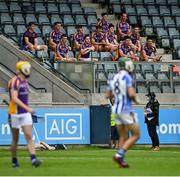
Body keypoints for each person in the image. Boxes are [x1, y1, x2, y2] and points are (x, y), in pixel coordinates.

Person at [106, 57, 140, 168]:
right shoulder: (127, 77)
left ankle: (121, 160)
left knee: (123, 136)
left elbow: (108, 95)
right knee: (136, 135)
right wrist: (136, 100)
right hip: (126, 109)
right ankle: (119, 155)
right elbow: (131, 94)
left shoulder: (114, 77)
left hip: (115, 110)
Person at [8, 60, 41, 168]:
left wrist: (27, 109)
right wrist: (28, 108)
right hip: (14, 113)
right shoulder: (14, 81)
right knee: (15, 139)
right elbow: (14, 98)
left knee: (29, 136)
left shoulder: (25, 82)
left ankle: (33, 159)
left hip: (25, 113)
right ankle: (14, 160)